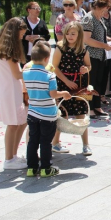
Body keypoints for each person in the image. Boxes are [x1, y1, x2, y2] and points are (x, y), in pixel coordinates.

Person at [23, 40, 71, 177]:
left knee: (33, 141)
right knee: (45, 142)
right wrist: (64, 94)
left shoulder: (26, 73)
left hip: (32, 113)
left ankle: (31, 168)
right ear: (46, 59)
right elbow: (53, 94)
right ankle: (46, 168)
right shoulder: (50, 76)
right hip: (47, 115)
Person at [51, 22, 92, 156]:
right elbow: (54, 67)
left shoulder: (83, 49)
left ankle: (86, 145)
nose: (69, 36)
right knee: (62, 114)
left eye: (73, 33)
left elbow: (89, 65)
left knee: (81, 114)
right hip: (64, 84)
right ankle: (55, 143)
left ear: (79, 35)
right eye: (67, 33)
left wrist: (86, 69)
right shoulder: (60, 47)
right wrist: (66, 81)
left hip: (79, 84)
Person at [0, 18, 29, 169]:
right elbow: (17, 74)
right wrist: (33, 70)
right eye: (20, 35)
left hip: (12, 90)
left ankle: (13, 156)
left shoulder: (4, 48)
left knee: (21, 122)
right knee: (13, 124)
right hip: (10, 92)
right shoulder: (8, 51)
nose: (21, 37)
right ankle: (9, 159)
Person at [81, 0, 111, 116]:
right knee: (90, 82)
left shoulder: (99, 19)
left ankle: (97, 106)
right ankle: (88, 108)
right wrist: (104, 45)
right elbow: (87, 39)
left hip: (100, 55)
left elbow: (102, 35)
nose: (105, 11)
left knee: (99, 82)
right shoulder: (88, 19)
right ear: (97, 7)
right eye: (104, 8)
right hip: (91, 55)